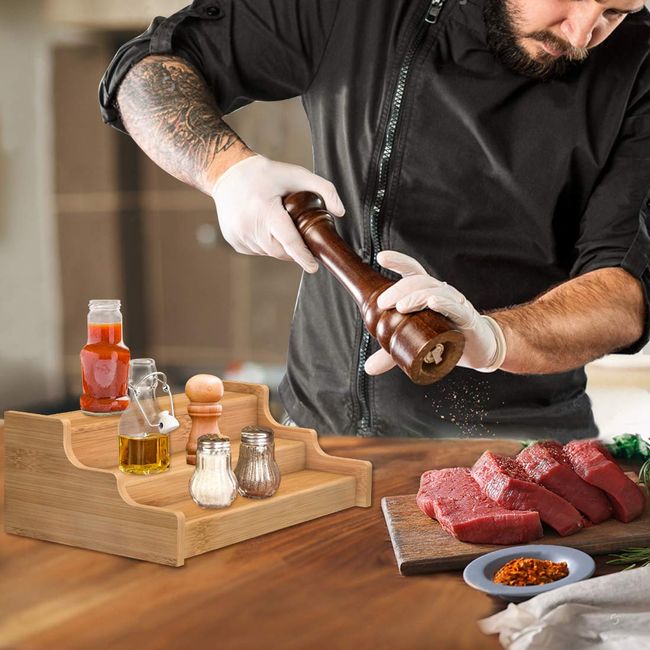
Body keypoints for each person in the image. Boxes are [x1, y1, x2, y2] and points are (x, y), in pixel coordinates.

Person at [99, 0, 650, 441]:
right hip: (315, 441)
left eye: (615, 12)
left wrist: (494, 337)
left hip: (519, 454)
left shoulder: (639, 68)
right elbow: (144, 72)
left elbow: (623, 293)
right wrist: (226, 171)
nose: (581, 35)